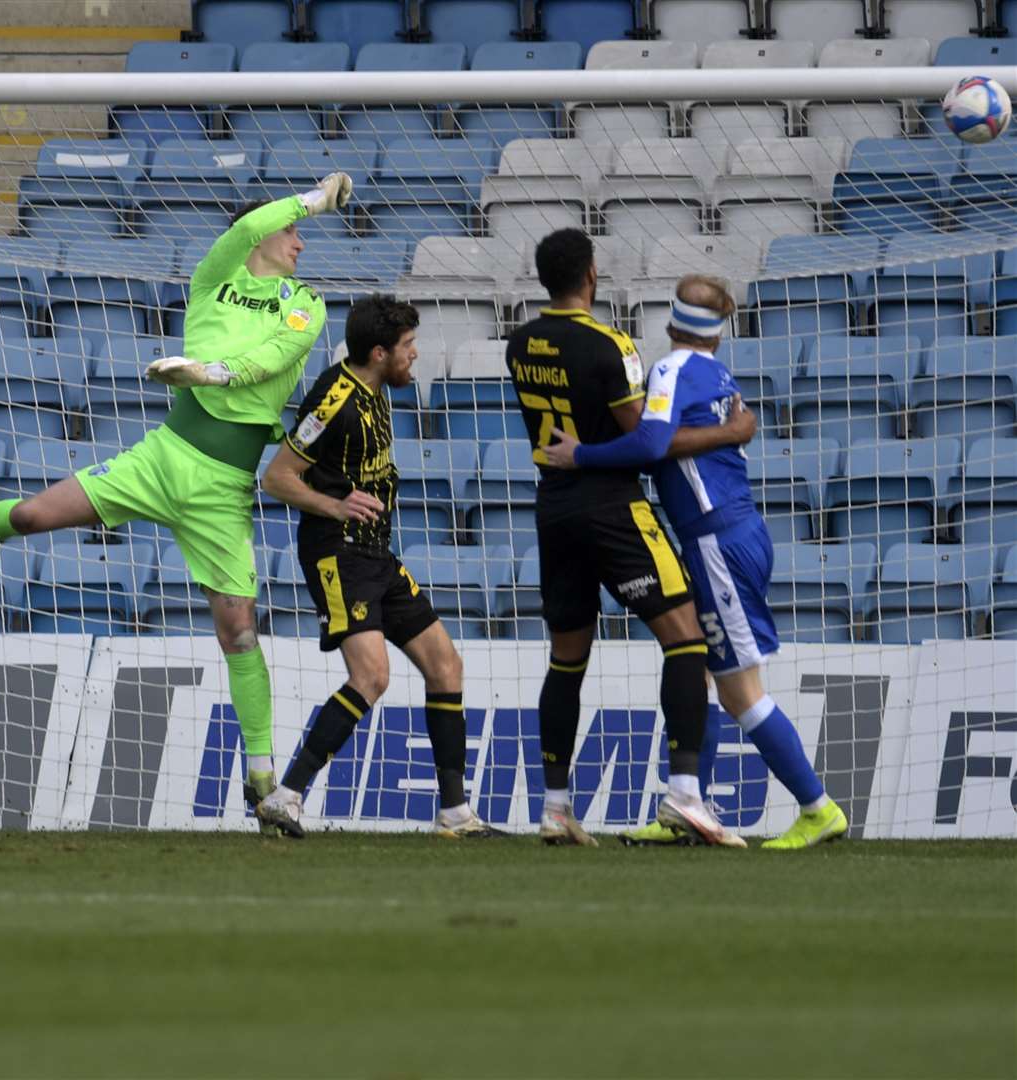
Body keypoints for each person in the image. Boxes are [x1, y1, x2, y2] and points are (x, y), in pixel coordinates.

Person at [0, 173, 353, 831]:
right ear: (266, 232)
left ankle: (265, 781)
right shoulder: (215, 279)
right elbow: (244, 229)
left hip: (222, 488)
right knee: (32, 516)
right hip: (162, 459)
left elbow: (279, 355)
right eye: (293, 231)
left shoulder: (305, 303)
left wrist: (210, 373)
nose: (301, 242)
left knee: (239, 630)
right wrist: (315, 199)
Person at [542, 274, 849, 850]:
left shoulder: (671, 370)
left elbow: (653, 445)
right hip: (730, 532)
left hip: (716, 541)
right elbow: (690, 439)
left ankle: (817, 806)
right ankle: (686, 799)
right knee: (701, 670)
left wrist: (578, 453)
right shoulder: (715, 373)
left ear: (674, 320)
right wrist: (730, 432)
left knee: (740, 691)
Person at [506, 229, 746, 848]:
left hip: (552, 509)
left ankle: (556, 808)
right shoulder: (611, 346)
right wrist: (731, 431)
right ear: (590, 274)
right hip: (611, 505)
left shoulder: (518, 342)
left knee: (566, 658)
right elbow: (646, 443)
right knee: (686, 640)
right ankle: (685, 794)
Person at [255, 295, 498, 839]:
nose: (416, 355)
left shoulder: (378, 389)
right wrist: (336, 505)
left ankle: (456, 813)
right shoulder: (333, 400)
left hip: (375, 552)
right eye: (408, 347)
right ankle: (287, 796)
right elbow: (277, 478)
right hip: (337, 551)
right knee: (371, 676)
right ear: (380, 351)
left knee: (445, 665)